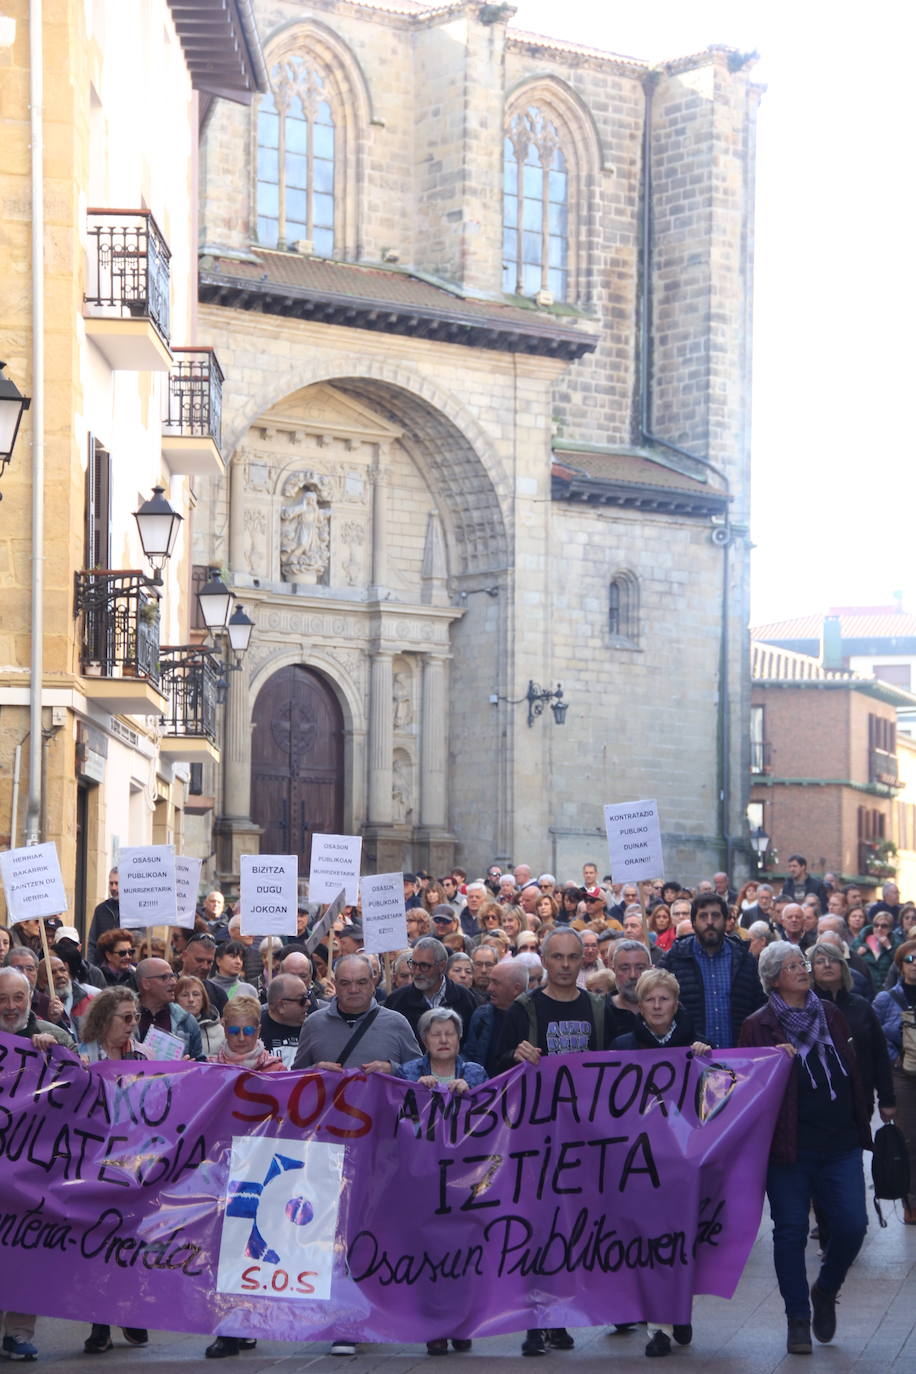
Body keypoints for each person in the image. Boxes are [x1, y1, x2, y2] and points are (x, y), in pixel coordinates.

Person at [739, 942, 871, 1355]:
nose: (803, 969)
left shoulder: (829, 1013)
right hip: (789, 1148)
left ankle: (826, 1288)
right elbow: (745, 1086)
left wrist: (862, 1113)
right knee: (790, 1232)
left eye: (803, 963)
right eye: (792, 965)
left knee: (852, 1226)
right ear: (773, 978)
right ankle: (797, 1317)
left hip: (841, 1142)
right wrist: (772, 1062)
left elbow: (852, 1066)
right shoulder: (758, 1025)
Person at [495, 927, 610, 1357]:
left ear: (583, 960)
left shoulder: (597, 1008)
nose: (564, 965)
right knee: (537, 1230)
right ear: (543, 961)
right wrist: (514, 1056)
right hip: (535, 1137)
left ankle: (560, 1317)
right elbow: (493, 1065)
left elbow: (620, 1063)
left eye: (572, 957)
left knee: (572, 1230)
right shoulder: (523, 1009)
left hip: (584, 1138)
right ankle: (534, 1321)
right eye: (557, 957)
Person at [611, 968, 709, 1357]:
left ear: (675, 1003)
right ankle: (658, 1327)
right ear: (639, 1005)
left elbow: (716, 1097)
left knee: (682, 1240)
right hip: (640, 1162)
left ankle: (679, 1308)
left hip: (684, 1162)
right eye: (649, 999)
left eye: (663, 999)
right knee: (650, 1242)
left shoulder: (697, 1044)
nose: (656, 1006)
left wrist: (707, 1061)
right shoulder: (622, 1045)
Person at [0, 967, 75, 1361]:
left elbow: (80, 1089)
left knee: (25, 1250)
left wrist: (56, 1052)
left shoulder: (53, 1035)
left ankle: (18, 1332)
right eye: (2, 999)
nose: (11, 1006)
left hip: (33, 1167)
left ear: (31, 997)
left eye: (18, 997)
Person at [661, 893, 765, 1049]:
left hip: (739, 1056)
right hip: (691, 1057)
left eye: (715, 916)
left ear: (726, 920)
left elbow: (759, 1009)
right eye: (703, 916)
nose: (710, 922)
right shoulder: (674, 959)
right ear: (693, 922)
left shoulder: (744, 959)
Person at [293, 953, 420, 1076]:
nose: (353, 990)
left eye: (361, 982)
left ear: (372, 984)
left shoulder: (397, 1023)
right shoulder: (313, 1024)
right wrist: (314, 1071)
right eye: (345, 983)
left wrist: (394, 1070)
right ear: (335, 984)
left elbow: (421, 1074)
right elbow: (294, 1078)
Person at [809, 941, 895, 1120]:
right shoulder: (804, 1008)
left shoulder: (861, 1006)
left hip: (860, 1096)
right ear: (811, 970)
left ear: (843, 967)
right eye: (820, 961)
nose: (827, 965)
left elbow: (879, 1054)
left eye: (833, 960)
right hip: (817, 1100)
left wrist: (887, 1099)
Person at [872, 939, 916, 1223]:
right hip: (903, 1077)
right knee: (909, 1141)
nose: (915, 965)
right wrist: (895, 1058)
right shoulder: (886, 999)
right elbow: (875, 1037)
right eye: (910, 960)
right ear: (900, 965)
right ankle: (911, 1203)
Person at [385, 936, 478, 1042]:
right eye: (414, 964)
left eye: (424, 966)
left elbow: (471, 1042)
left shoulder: (464, 998)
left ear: (442, 966)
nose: (417, 972)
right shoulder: (397, 1000)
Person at [463, 959, 528, 1076]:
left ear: (516, 989)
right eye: (490, 982)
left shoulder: (533, 1018)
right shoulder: (481, 1016)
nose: (489, 988)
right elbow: (469, 1056)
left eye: (496, 983)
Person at [135, 958, 203, 1058]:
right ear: (145, 983)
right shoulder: (124, 1017)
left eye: (172, 976)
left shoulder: (186, 1020)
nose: (173, 982)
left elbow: (200, 1061)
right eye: (164, 977)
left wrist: (186, 1065)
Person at [208, 994, 284, 1071]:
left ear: (258, 1031)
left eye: (248, 1031)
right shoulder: (209, 1069)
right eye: (234, 1031)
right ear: (225, 1030)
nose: (241, 1038)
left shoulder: (276, 1070)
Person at [36, 950, 97, 1038]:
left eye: (63, 970)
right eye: (52, 972)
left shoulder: (88, 1001)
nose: (60, 975)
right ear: (41, 982)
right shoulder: (36, 1007)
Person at [259, 974, 310, 1066]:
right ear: (281, 1006)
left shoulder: (314, 1028)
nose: (308, 1003)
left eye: (308, 997)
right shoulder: (252, 1029)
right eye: (302, 1000)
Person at [175, 975, 225, 1056]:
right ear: (176, 999)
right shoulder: (170, 1025)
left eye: (196, 994)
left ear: (203, 998)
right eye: (184, 995)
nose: (191, 999)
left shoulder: (220, 1030)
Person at [854, 914, 900, 994]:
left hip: (887, 989)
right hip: (865, 989)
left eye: (884, 926)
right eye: (876, 925)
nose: (879, 928)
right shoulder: (860, 941)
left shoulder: (896, 942)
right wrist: (858, 954)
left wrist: (889, 947)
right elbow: (851, 963)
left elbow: (900, 963)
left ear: (890, 928)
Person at [86, 867, 119, 964]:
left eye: (117, 883)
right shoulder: (101, 910)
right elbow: (92, 943)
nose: (113, 888)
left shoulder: (134, 911)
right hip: (102, 968)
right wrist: (91, 967)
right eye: (111, 883)